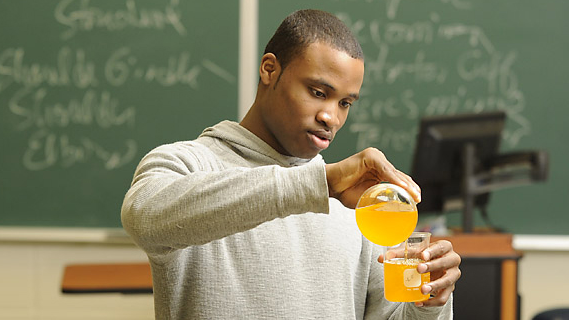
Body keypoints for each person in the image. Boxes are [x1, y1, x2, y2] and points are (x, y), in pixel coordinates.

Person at [122, 9, 461, 319]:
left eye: (345, 103)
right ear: (270, 69)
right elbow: (144, 218)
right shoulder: (187, 163)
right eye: (317, 92)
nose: (331, 117)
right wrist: (320, 184)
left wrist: (430, 303)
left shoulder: (362, 206)